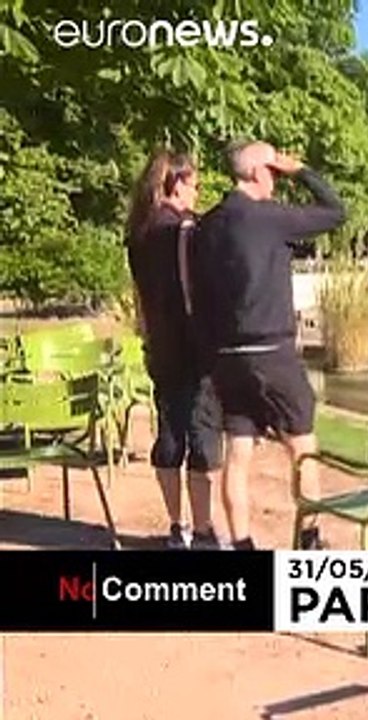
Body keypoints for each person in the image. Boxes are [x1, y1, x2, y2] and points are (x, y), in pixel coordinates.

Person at [189, 140, 345, 551]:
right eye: (273, 171)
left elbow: (197, 297)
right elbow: (334, 211)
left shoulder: (205, 227)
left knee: (238, 452)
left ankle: (241, 545)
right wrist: (301, 170)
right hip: (271, 351)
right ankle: (309, 541)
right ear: (259, 172)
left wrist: (212, 354)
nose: (276, 178)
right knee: (303, 445)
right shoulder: (270, 219)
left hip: (227, 357)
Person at [123, 148, 223, 550]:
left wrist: (149, 340)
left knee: (169, 440)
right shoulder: (188, 230)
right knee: (203, 443)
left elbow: (140, 300)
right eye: (194, 185)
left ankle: (176, 526)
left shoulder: (139, 234)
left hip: (162, 349)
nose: (197, 193)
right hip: (197, 349)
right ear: (176, 183)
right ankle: (202, 530)